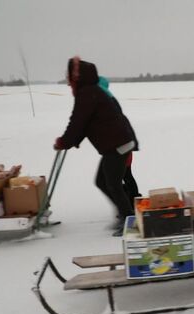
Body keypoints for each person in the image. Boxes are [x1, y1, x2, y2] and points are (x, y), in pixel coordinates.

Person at [54, 57, 139, 236]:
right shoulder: (91, 92)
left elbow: (77, 122)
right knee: (103, 181)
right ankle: (126, 213)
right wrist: (69, 141)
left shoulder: (88, 93)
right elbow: (84, 125)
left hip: (118, 144)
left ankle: (129, 219)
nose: (68, 81)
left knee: (112, 183)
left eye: (69, 76)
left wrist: (65, 141)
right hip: (115, 144)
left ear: (76, 77)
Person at [97, 76, 141, 208]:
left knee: (124, 175)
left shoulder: (105, 99)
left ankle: (132, 198)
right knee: (124, 175)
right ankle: (130, 197)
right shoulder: (106, 99)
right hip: (121, 145)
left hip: (121, 146)